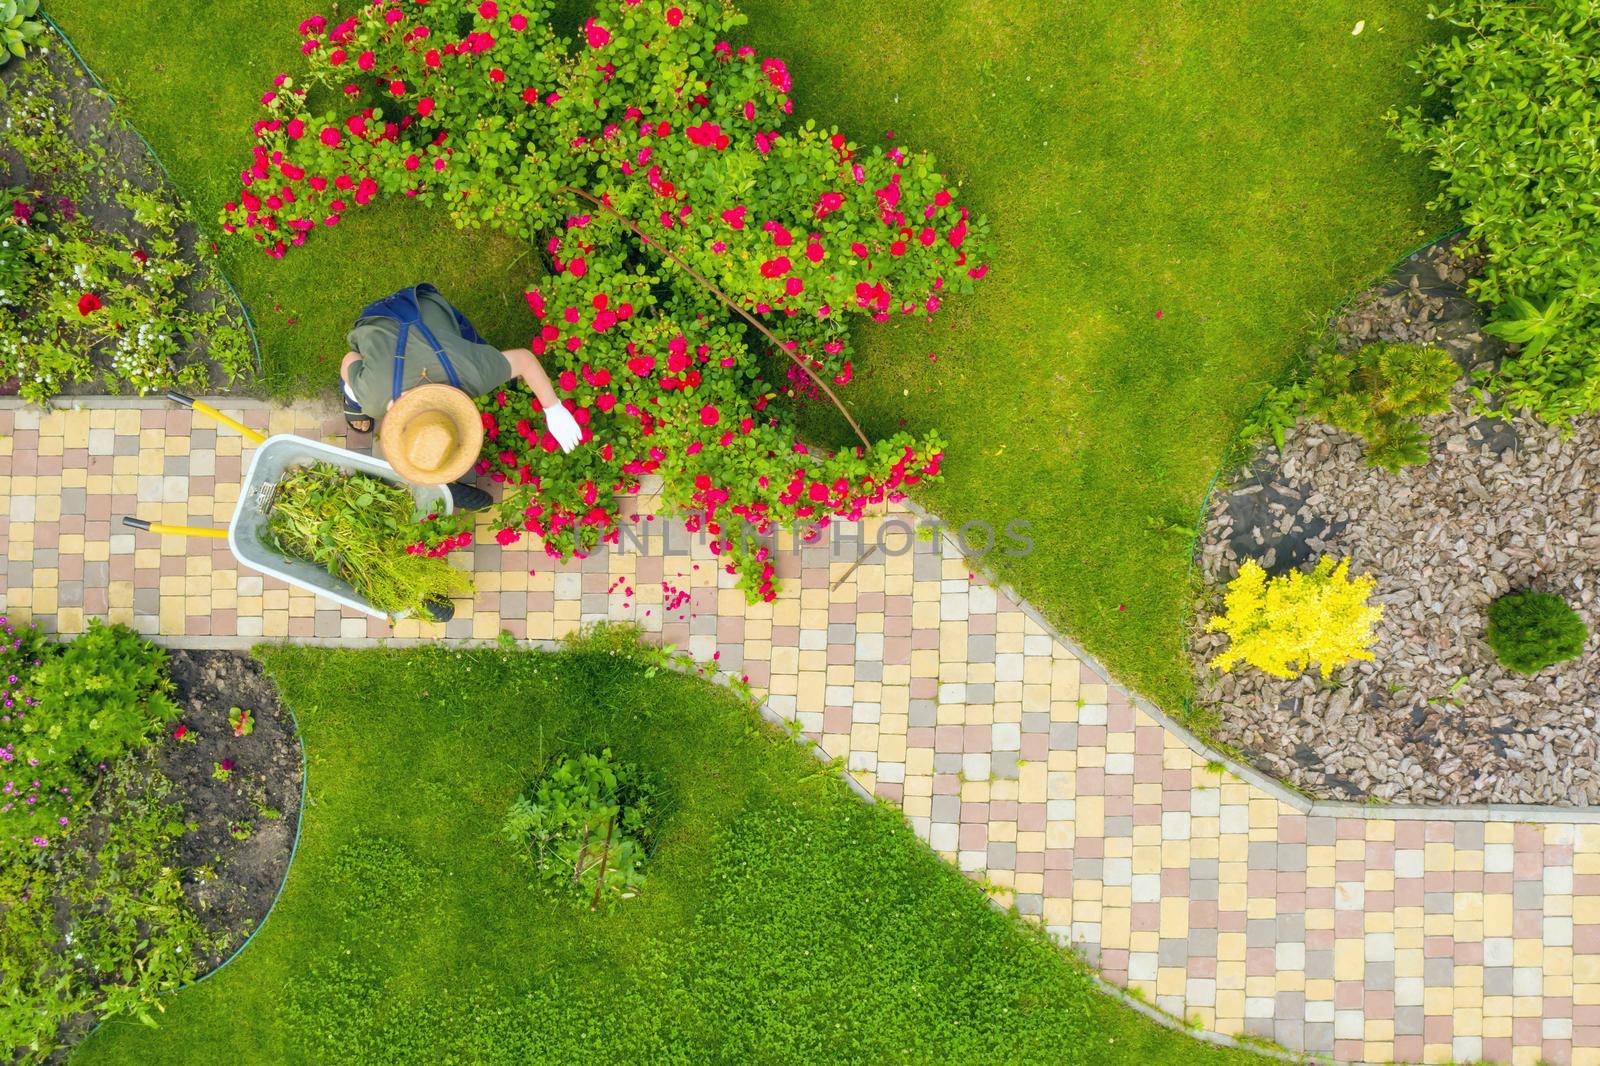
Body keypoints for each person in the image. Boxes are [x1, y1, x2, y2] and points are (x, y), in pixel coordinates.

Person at [339, 284, 582, 507]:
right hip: (387, 314)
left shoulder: (472, 373)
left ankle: (353, 399)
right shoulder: (373, 397)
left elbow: (524, 360)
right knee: (357, 386)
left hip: (410, 306)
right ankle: (352, 397)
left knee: (470, 341)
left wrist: (554, 408)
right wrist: (553, 409)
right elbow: (350, 360)